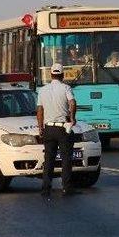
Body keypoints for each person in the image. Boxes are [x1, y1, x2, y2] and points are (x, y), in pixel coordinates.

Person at [36, 63, 78, 198]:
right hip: (63, 129)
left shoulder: (42, 90)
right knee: (66, 158)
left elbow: (40, 110)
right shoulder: (66, 88)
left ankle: (46, 189)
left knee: (49, 159)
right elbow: (72, 103)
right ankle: (67, 187)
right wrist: (72, 118)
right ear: (62, 75)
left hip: (48, 128)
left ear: (51, 75)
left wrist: (40, 127)